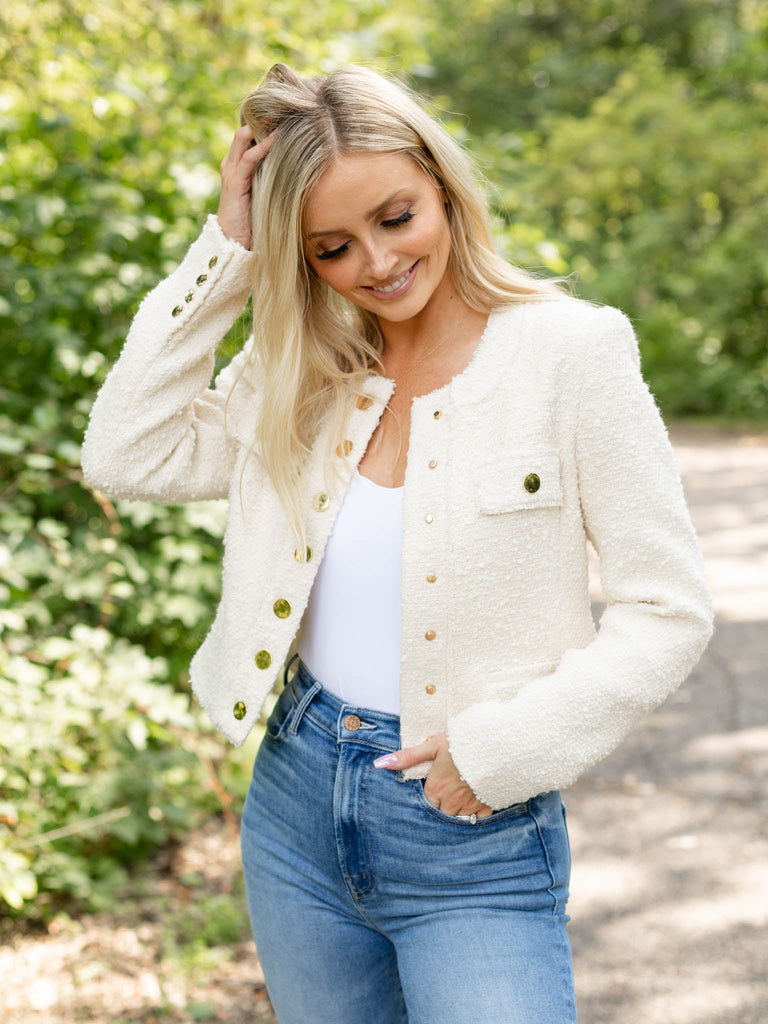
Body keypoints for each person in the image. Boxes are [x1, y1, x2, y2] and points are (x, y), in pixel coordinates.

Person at [81, 63, 713, 1023]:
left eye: (396, 217)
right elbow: (127, 452)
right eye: (331, 247)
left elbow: (668, 611)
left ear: (441, 185)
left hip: (475, 827)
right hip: (296, 804)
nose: (376, 263)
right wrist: (230, 253)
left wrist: (506, 750)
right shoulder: (305, 368)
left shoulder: (572, 354)